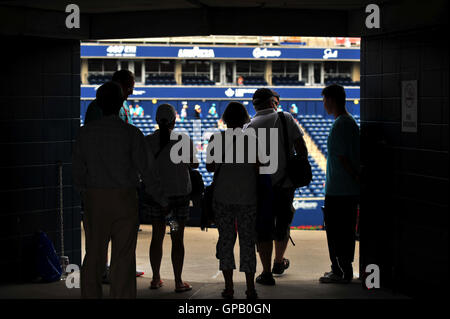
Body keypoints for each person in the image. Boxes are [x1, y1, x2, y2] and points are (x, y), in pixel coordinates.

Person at [73, 81, 168, 298]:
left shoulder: (85, 133)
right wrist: (163, 200)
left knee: (94, 254)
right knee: (124, 258)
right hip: (125, 198)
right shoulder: (132, 133)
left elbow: (78, 172)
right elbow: (148, 172)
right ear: (121, 103)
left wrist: (86, 192)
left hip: (95, 198)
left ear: (98, 103)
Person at [247, 88, 308, 285]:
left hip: (260, 188)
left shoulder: (248, 126)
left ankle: (265, 272)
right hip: (285, 185)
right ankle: (279, 261)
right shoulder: (285, 118)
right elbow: (302, 149)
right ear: (273, 102)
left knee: (263, 229)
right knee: (283, 223)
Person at [206, 102, 260, 299]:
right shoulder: (252, 139)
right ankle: (250, 289)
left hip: (222, 197)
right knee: (247, 243)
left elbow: (210, 167)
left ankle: (229, 288)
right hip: (247, 198)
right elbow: (258, 168)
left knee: (226, 242)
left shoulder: (216, 138)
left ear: (226, 119)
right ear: (245, 118)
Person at [143, 103, 199, 292]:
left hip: (158, 200)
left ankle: (156, 278)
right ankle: (177, 281)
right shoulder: (182, 140)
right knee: (176, 237)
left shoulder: (149, 141)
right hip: (177, 202)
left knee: (157, 237)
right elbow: (195, 164)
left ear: (156, 121)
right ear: (174, 121)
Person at [319, 84, 360, 284]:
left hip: (339, 191)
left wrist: (355, 177)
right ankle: (344, 270)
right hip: (349, 190)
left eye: (325, 100)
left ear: (332, 100)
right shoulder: (350, 122)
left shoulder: (340, 125)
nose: (323, 104)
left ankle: (340, 271)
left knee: (336, 233)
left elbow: (343, 159)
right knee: (346, 232)